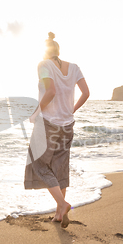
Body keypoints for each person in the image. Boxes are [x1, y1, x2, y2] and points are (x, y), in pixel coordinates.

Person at [24, 32, 90, 228]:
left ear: (46, 52)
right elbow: (86, 93)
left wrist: (36, 112)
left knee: (38, 165)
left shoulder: (43, 65)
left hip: (47, 124)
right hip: (67, 124)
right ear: (58, 50)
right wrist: (71, 110)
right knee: (60, 168)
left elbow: (51, 91)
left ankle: (62, 204)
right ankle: (59, 214)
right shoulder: (74, 67)